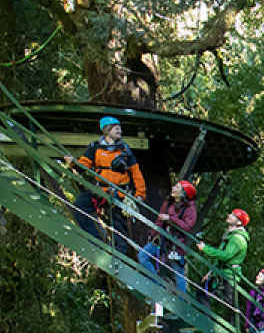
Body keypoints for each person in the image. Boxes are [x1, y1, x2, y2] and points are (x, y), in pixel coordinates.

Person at [61, 116, 146, 253]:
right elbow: (85, 164)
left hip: (119, 194)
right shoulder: (95, 147)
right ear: (106, 130)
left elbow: (136, 173)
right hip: (100, 192)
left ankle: (119, 257)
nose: (120, 131)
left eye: (120, 128)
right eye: (116, 128)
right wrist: (73, 162)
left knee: (119, 227)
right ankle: (97, 243)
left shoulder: (125, 150)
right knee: (79, 207)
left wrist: (139, 195)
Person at [136, 179, 198, 292]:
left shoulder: (190, 209)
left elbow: (187, 227)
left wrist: (171, 219)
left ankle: (181, 302)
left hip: (176, 244)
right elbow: (160, 221)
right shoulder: (168, 203)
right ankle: (157, 285)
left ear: (183, 193)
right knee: (143, 256)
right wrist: (153, 235)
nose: (173, 188)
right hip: (162, 239)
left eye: (177, 187)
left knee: (178, 273)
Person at [195, 208, 249, 307]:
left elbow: (225, 256)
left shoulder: (238, 238)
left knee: (231, 307)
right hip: (220, 272)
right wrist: (211, 271)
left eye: (233, 215)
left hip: (229, 275)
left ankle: (225, 322)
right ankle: (206, 320)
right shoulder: (229, 234)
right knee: (202, 290)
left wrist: (205, 249)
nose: (229, 215)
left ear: (238, 222)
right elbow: (220, 256)